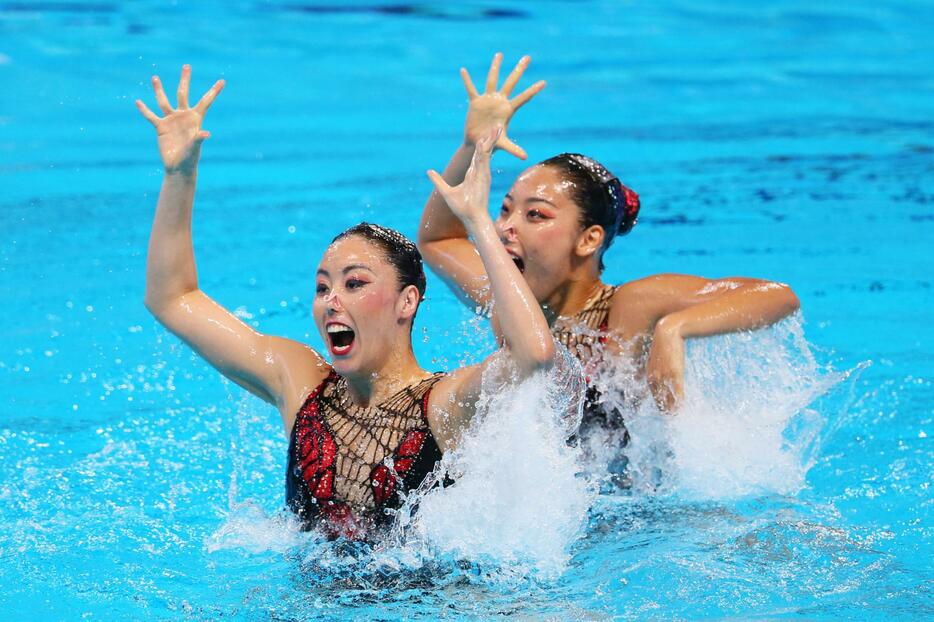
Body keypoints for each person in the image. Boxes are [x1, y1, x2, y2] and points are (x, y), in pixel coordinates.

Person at [136, 66, 563, 540]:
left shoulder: (444, 404)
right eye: (322, 288)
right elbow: (172, 298)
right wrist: (179, 174)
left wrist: (480, 224)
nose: (331, 301)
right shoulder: (298, 381)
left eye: (354, 284)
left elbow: (534, 356)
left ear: (407, 302)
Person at [416, 53, 801, 438]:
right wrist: (471, 146)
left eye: (536, 215)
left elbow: (778, 297)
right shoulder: (509, 304)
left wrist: (676, 328)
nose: (505, 228)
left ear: (589, 239)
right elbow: (440, 237)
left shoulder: (628, 309)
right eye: (504, 210)